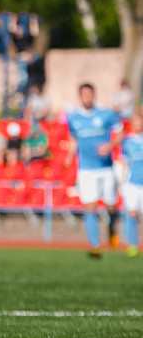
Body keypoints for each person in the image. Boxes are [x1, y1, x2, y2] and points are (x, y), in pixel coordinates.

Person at [65, 83, 122, 258]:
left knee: (110, 205)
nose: (87, 98)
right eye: (84, 94)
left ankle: (112, 227)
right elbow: (73, 139)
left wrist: (110, 145)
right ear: (80, 96)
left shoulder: (107, 114)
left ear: (94, 95)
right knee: (90, 206)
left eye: (90, 94)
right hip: (86, 169)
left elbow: (120, 133)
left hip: (106, 168)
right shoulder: (73, 118)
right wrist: (70, 156)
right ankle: (95, 246)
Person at [109, 111, 143, 257]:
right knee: (132, 214)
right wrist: (121, 183)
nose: (138, 125)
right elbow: (124, 163)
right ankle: (133, 245)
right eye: (136, 123)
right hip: (132, 183)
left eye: (140, 122)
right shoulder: (128, 142)